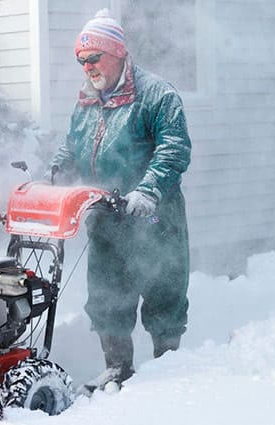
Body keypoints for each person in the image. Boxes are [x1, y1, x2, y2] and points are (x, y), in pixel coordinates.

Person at [49, 9, 191, 393]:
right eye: (81, 61)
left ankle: (168, 367)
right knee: (108, 296)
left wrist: (148, 190)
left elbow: (174, 150)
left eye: (93, 58)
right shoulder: (87, 102)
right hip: (107, 219)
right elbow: (71, 147)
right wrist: (58, 175)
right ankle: (117, 369)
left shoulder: (157, 95)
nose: (87, 67)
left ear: (116, 53)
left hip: (153, 217)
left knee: (163, 294)